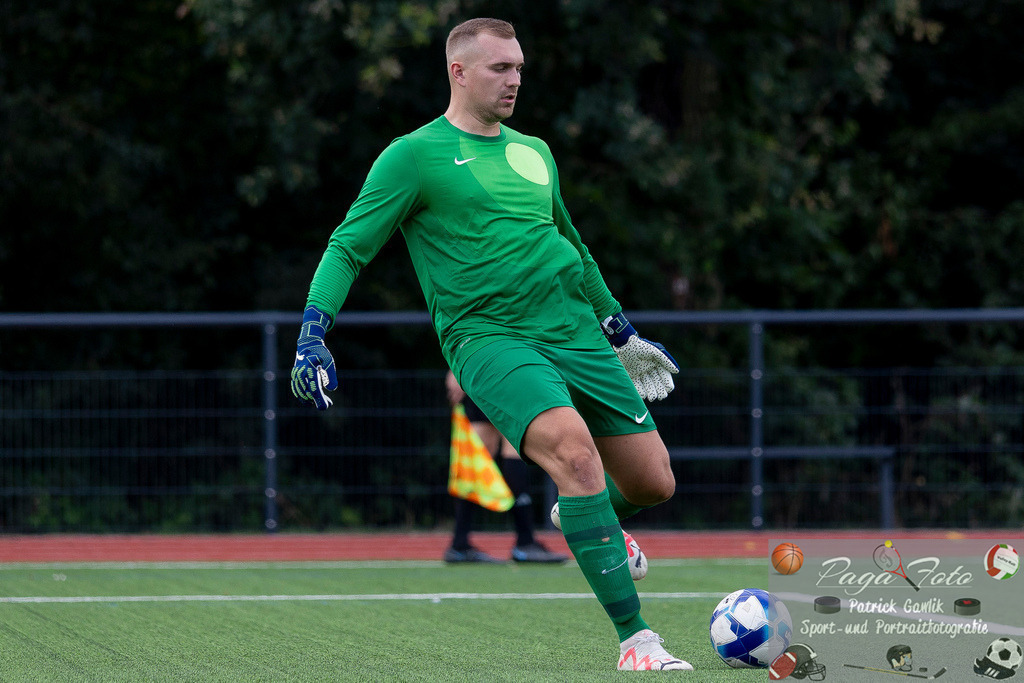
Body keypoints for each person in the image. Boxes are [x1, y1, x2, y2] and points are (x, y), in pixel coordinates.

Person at [290, 17, 692, 672]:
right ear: (458, 71)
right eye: (500, 68)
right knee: (575, 451)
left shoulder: (535, 151)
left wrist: (618, 326)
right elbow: (348, 245)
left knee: (653, 481)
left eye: (519, 68)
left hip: (575, 331)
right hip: (490, 338)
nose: (515, 80)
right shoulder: (414, 155)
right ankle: (636, 639)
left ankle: (582, 514)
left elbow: (573, 244)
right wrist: (312, 332)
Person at [443, 369, 569, 564]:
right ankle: (525, 543)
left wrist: (456, 367)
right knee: (511, 445)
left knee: (479, 452)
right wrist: (454, 368)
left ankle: (459, 544)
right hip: (506, 366)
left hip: (481, 369)